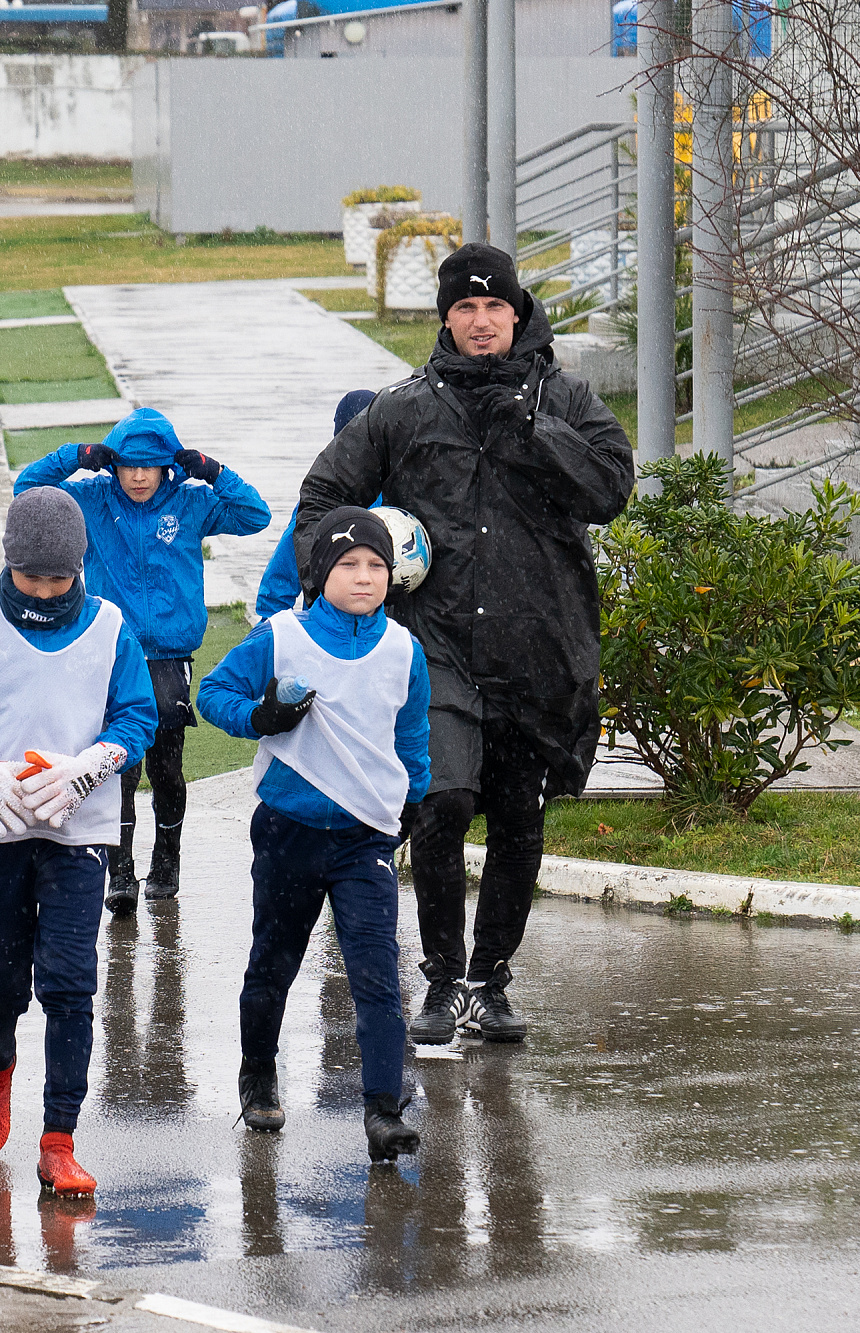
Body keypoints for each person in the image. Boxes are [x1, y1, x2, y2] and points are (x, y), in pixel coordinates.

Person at [293, 244, 634, 1046]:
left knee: (519, 818)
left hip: (536, 646)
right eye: (465, 310)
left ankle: (490, 979)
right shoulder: (404, 408)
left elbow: (612, 487)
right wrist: (346, 569)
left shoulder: (566, 397)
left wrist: (534, 427)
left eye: (495, 309)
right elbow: (323, 497)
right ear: (445, 318)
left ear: (518, 314)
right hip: (437, 647)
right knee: (441, 802)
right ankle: (443, 980)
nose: (481, 324)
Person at [0, 486, 159, 1197]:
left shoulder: (110, 629)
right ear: (7, 562)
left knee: (72, 982)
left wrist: (90, 768)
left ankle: (59, 1139)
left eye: (58, 577)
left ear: (80, 569)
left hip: (79, 829)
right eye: (29, 575)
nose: (43, 589)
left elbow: (138, 715)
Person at [199, 507, 430, 1162]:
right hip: (288, 829)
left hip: (365, 840)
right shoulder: (281, 637)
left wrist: (412, 799)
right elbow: (215, 693)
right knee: (274, 962)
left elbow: (412, 737)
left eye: (377, 566)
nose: (364, 577)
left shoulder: (403, 650)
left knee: (377, 974)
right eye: (349, 564)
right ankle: (258, 1074)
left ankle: (383, 1109)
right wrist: (259, 713)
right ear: (322, 572)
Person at [14, 408, 270, 913]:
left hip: (170, 656)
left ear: (168, 467)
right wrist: (77, 457)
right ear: (112, 464)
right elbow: (28, 491)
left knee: (167, 767)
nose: (137, 476)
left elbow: (253, 515)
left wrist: (211, 470)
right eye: (127, 464)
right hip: (111, 651)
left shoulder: (192, 502)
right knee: (120, 767)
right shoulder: (89, 500)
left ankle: (167, 858)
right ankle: (121, 870)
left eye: (149, 466)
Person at [254, 390, 378, 623]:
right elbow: (285, 567)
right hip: (325, 628)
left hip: (380, 631)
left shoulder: (402, 491)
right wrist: (270, 626)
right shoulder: (321, 496)